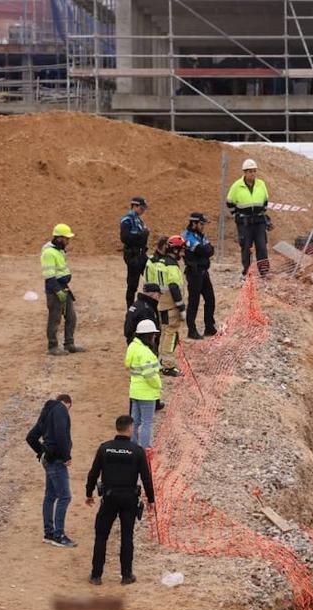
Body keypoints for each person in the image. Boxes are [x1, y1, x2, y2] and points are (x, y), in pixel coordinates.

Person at [85, 414, 155, 586]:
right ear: (130, 429)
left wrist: (89, 493)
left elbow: (93, 473)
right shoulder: (137, 451)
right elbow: (146, 478)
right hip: (129, 499)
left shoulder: (105, 448)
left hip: (109, 497)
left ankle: (96, 575)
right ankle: (126, 575)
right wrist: (151, 499)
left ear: (117, 428)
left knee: (101, 536)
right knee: (127, 536)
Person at [26, 394, 75, 548]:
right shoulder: (60, 409)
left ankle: (49, 533)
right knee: (65, 496)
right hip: (57, 460)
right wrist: (66, 455)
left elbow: (31, 437)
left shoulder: (47, 412)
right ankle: (58, 535)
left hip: (48, 459)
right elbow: (61, 433)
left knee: (50, 495)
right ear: (67, 403)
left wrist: (42, 452)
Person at [41, 223, 85, 356]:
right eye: (66, 238)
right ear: (59, 238)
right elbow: (49, 276)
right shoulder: (49, 253)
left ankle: (69, 344)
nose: (68, 241)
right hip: (55, 289)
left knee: (71, 317)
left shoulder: (58, 250)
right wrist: (57, 291)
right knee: (54, 319)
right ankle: (52, 346)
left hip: (63, 287)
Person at [146, 235, 186, 377]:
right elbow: (174, 287)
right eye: (181, 250)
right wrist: (181, 307)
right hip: (170, 305)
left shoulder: (158, 262)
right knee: (170, 333)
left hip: (160, 304)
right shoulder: (171, 266)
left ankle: (160, 361)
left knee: (164, 332)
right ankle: (167, 365)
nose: (183, 254)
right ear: (174, 250)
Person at [226, 158, 270, 277]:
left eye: (254, 171)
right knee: (246, 247)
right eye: (250, 171)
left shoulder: (261, 184)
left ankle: (264, 272)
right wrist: (237, 215)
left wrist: (261, 213)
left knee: (262, 246)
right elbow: (229, 202)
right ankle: (247, 272)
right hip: (244, 223)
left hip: (259, 222)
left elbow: (266, 201)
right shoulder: (237, 186)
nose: (252, 174)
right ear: (244, 172)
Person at [125, 320, 163, 449]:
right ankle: (146, 449)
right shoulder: (145, 352)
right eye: (153, 334)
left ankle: (133, 446)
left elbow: (128, 364)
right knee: (147, 423)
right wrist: (158, 384)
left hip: (135, 391)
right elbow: (149, 375)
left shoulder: (133, 347)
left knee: (134, 421)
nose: (154, 337)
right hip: (147, 393)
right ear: (148, 335)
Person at [181, 212, 217, 340]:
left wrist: (206, 250)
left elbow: (210, 250)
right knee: (193, 302)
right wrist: (205, 251)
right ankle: (192, 330)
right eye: (201, 224)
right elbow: (203, 250)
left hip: (203, 272)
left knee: (210, 299)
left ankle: (209, 327)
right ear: (194, 223)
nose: (203, 226)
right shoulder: (187, 236)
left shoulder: (200, 235)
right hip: (194, 273)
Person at [119, 197, 149, 309]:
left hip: (142, 254)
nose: (143, 211)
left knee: (150, 279)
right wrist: (141, 235)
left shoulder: (138, 219)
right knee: (132, 284)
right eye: (141, 208)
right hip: (133, 255)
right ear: (135, 206)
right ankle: (130, 309)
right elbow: (125, 238)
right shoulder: (127, 220)